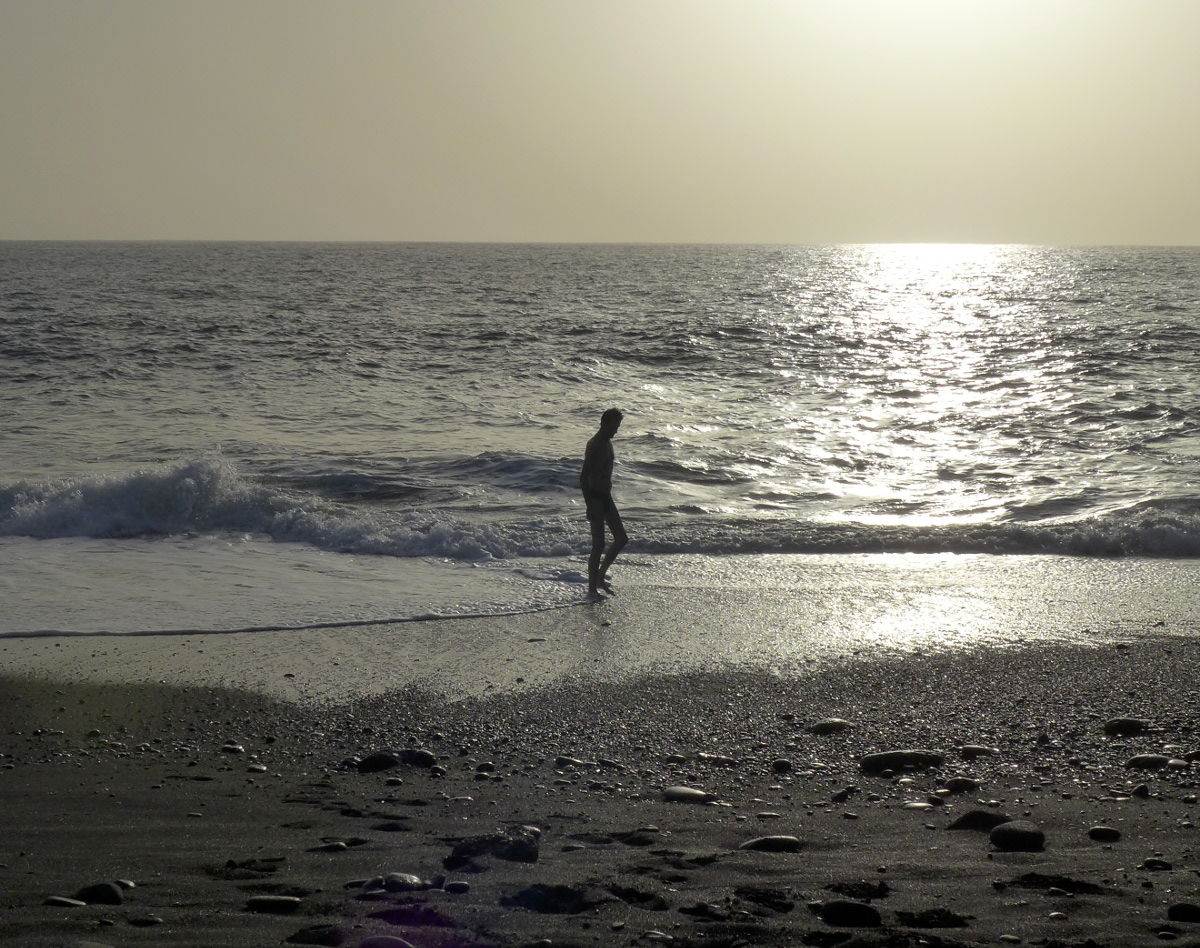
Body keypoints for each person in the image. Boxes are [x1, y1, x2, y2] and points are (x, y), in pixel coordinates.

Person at [580, 407, 628, 600]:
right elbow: (583, 477)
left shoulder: (608, 443)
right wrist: (589, 505)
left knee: (621, 538)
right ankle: (592, 590)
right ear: (605, 424)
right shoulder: (594, 444)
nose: (616, 431)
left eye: (618, 426)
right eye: (614, 426)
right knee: (598, 545)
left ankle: (600, 576)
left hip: (606, 496)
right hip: (595, 498)